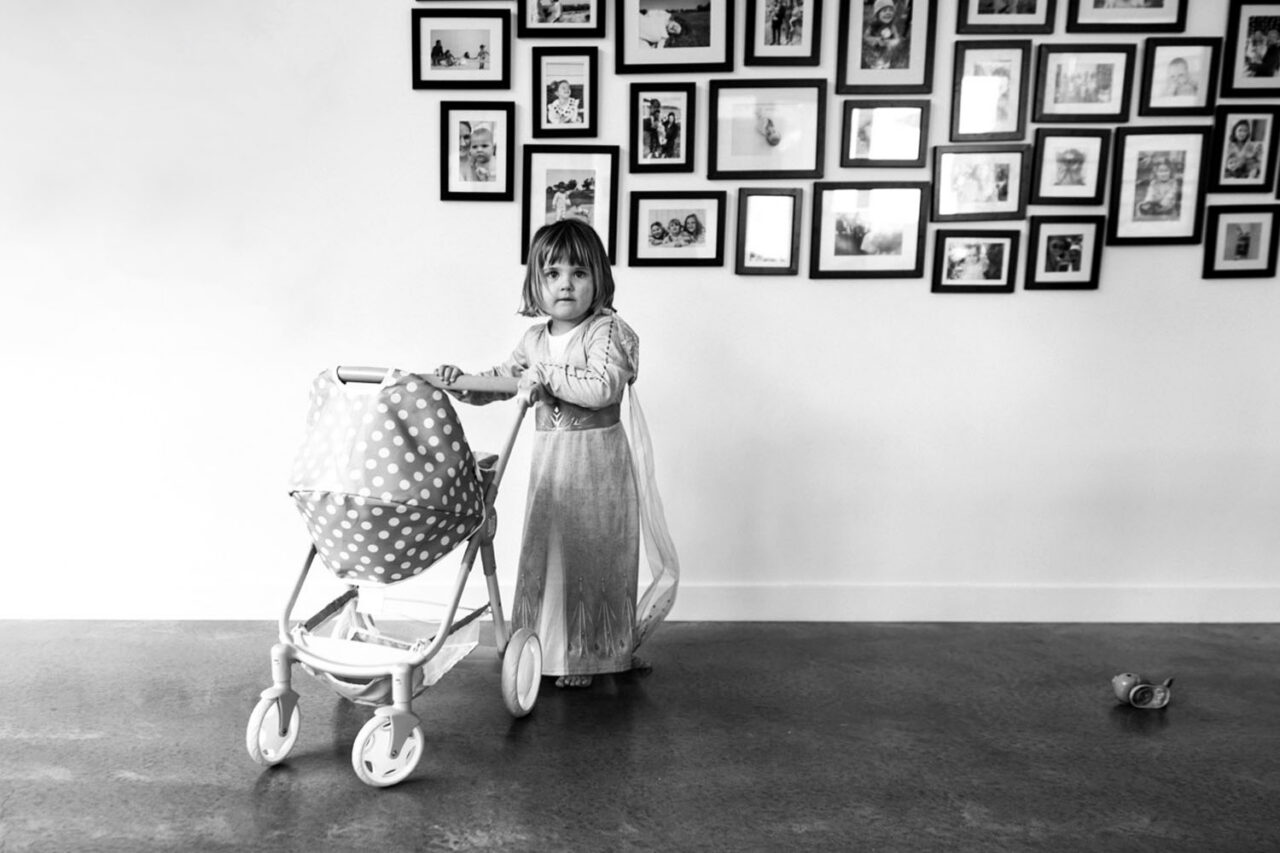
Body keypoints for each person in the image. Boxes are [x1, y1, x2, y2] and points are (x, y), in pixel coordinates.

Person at [434, 218, 678, 688]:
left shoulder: (607, 331)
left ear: (599, 280)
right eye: (552, 274)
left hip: (597, 464)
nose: (565, 283)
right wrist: (462, 381)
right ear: (536, 283)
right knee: (551, 549)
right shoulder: (534, 339)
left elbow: (604, 387)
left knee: (593, 550)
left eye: (579, 273)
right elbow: (507, 380)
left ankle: (593, 654)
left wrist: (543, 379)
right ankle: (547, 645)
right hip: (552, 464)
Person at [862, 0, 904, 70]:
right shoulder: (872, 26)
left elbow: (897, 39)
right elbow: (866, 37)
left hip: (886, 54)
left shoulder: (892, 27)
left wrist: (889, 42)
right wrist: (876, 40)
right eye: (884, 11)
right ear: (877, 14)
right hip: (874, 55)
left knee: (886, 66)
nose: (888, 12)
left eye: (891, 10)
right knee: (875, 69)